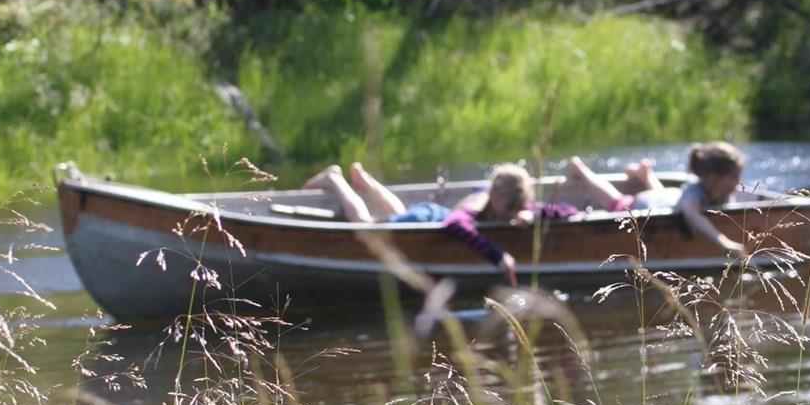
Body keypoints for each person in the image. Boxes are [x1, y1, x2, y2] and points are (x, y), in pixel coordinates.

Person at [305, 162, 574, 286]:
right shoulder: (478, 202)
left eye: (518, 207)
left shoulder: (510, 202)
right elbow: (455, 223)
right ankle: (335, 181)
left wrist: (532, 215)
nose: (511, 214)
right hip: (427, 220)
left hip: (428, 213)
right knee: (367, 225)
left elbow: (566, 210)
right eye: (510, 208)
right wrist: (497, 255)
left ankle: (365, 183)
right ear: (495, 194)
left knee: (398, 214)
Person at [561, 141, 749, 259]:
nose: (737, 182)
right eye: (733, 177)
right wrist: (723, 242)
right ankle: (581, 170)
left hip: (666, 197)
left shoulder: (721, 192)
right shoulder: (694, 194)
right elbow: (692, 215)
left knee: (665, 199)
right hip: (643, 204)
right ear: (713, 178)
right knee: (616, 202)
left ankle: (645, 175)